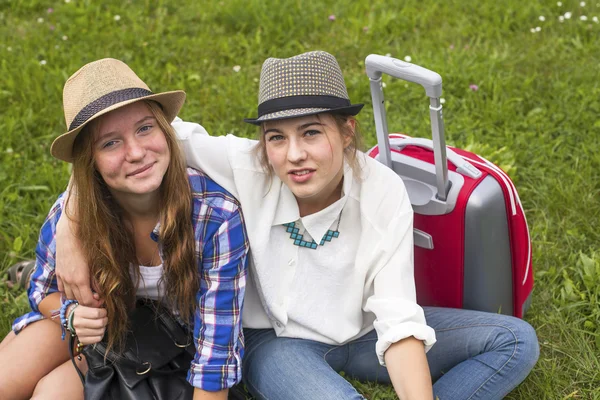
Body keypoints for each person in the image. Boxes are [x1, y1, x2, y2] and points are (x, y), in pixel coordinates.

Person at [54, 51, 539, 399]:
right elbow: (130, 145)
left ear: (347, 132)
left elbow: (398, 317)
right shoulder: (247, 165)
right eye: (276, 137)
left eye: (312, 132)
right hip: (276, 342)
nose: (294, 155)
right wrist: (71, 223)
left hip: (365, 333)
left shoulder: (383, 191)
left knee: (516, 341)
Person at [0, 58, 249, 400]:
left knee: (51, 392)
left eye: (145, 128)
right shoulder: (70, 214)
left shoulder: (215, 215)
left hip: (172, 347)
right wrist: (71, 313)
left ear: (166, 130)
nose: (136, 152)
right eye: (110, 143)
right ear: (91, 162)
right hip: (104, 328)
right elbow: (42, 291)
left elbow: (215, 353)